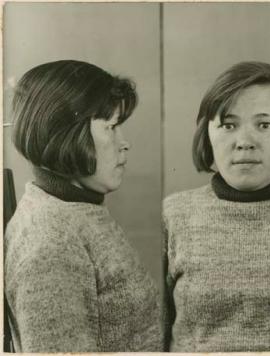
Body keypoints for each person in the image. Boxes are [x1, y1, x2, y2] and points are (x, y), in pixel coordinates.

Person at [162, 61, 270, 351]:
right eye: (228, 125)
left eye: (265, 125)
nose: (244, 142)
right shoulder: (173, 217)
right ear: (208, 132)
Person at [4, 60, 163, 352]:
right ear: (68, 135)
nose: (124, 142)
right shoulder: (51, 243)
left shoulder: (74, 210)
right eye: (111, 127)